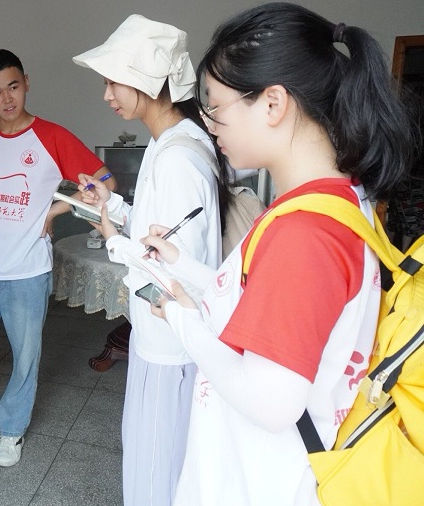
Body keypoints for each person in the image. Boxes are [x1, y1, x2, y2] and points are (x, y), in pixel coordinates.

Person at [139, 3, 419, 504]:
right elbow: (263, 298)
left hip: (260, 482)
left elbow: (271, 403)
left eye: (216, 107)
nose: (210, 125)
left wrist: (183, 322)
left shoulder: (304, 233)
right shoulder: (338, 200)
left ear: (272, 103)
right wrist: (183, 264)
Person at [71, 14, 228, 505]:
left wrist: (113, 238)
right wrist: (113, 206)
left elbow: (173, 265)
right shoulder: (171, 141)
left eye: (112, 82)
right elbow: (159, 226)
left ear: (149, 81)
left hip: (169, 340)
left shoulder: (178, 155)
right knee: (157, 457)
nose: (106, 95)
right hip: (160, 334)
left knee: (159, 466)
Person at [0, 48, 113, 467]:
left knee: (25, 357)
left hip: (27, 270)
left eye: (14, 87)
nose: (7, 98)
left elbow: (105, 181)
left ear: (26, 83)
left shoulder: (52, 137)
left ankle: (12, 431)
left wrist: (56, 211)